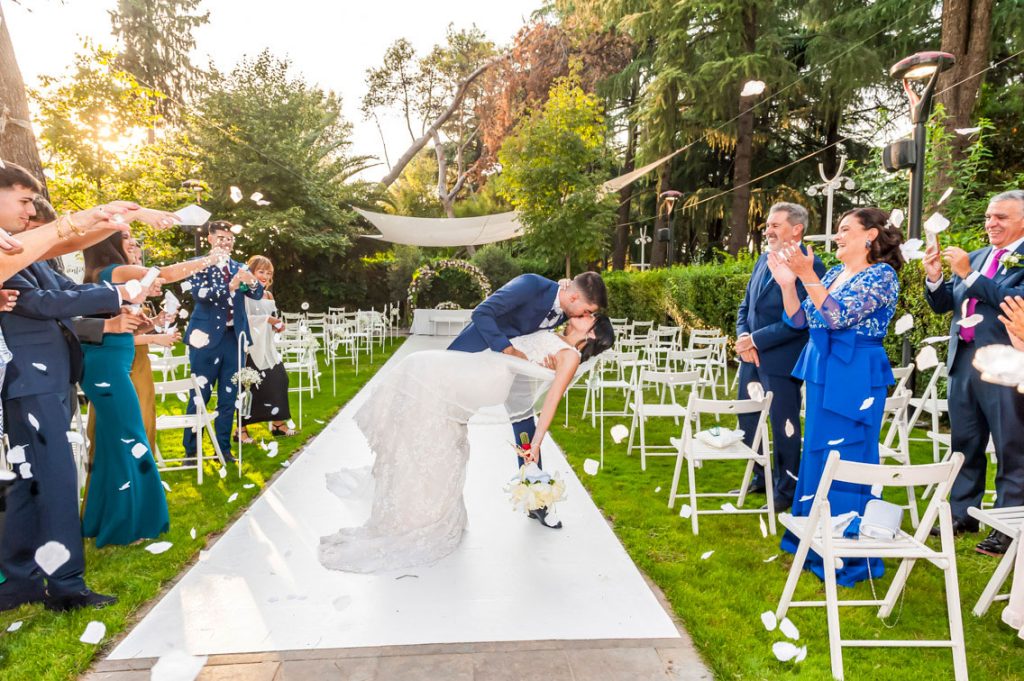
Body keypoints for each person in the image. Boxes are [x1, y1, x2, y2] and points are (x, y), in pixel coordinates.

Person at [0, 164, 176, 611]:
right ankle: (66, 587)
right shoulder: (9, 263)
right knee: (57, 482)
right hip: (31, 382)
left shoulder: (27, 260)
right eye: (23, 200)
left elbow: (63, 288)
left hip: (47, 379)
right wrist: (118, 295)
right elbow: (44, 304)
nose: (30, 210)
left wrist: (112, 318)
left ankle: (17, 582)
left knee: (29, 484)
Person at [319, 314, 615, 573]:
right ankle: (416, 506)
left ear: (592, 333)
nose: (584, 312)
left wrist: (534, 445)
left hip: (491, 375)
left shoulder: (570, 356)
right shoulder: (555, 335)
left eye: (590, 315)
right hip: (487, 365)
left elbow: (550, 402)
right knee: (427, 400)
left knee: (420, 368)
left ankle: (421, 508)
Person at [768, 207, 902, 587]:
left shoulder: (882, 275)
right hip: (824, 366)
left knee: (848, 455)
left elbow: (838, 316)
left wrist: (807, 275)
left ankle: (848, 553)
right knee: (818, 452)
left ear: (870, 236)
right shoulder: (834, 273)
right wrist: (786, 284)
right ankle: (812, 542)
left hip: (855, 370)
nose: (837, 236)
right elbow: (800, 320)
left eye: (845, 229)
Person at [448, 272, 606, 529]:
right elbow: (481, 313)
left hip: (516, 374)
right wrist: (510, 352)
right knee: (450, 420)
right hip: (476, 357)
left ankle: (537, 501)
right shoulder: (532, 285)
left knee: (525, 426)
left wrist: (544, 361)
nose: (584, 316)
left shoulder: (569, 311)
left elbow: (558, 336)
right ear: (575, 297)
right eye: (586, 311)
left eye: (589, 315)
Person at [77, 232, 207, 546]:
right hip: (108, 367)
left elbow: (119, 329)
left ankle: (99, 520)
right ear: (108, 245)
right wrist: (212, 258)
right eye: (127, 238)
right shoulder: (113, 272)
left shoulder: (104, 276)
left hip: (111, 362)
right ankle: (126, 527)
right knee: (130, 441)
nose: (134, 243)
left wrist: (151, 324)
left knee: (112, 446)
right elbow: (165, 274)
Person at [924, 189, 1024, 556]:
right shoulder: (979, 256)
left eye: (1001, 217)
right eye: (988, 216)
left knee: (1012, 444)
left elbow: (1016, 302)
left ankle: (1008, 523)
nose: (991, 223)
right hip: (963, 360)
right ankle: (962, 513)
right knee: (964, 443)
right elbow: (944, 304)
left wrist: (969, 273)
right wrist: (936, 279)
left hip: (1006, 364)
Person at [735, 202, 825, 511]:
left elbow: (799, 321)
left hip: (783, 359)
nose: (768, 230)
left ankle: (786, 490)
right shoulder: (763, 260)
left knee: (783, 425)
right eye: (768, 225)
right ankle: (760, 477)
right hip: (751, 359)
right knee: (747, 420)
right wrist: (742, 338)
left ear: (797, 229)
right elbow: (746, 306)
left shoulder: (811, 265)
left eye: (776, 225)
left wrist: (755, 340)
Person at [181, 221, 263, 462]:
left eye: (229, 238)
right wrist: (232, 285)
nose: (225, 242)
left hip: (233, 339)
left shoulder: (239, 266)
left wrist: (252, 281)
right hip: (204, 340)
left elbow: (256, 294)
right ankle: (191, 450)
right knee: (200, 394)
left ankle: (223, 450)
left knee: (229, 396)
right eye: (221, 237)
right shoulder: (199, 265)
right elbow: (200, 296)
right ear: (210, 239)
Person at [239, 255, 292, 442]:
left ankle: (278, 424)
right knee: (247, 387)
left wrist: (276, 324)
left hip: (268, 346)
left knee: (279, 380)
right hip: (249, 347)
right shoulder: (242, 294)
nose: (265, 276)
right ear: (251, 272)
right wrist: (267, 320)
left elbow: (271, 317)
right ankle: (241, 430)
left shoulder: (268, 295)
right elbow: (243, 320)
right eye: (260, 271)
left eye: (268, 273)